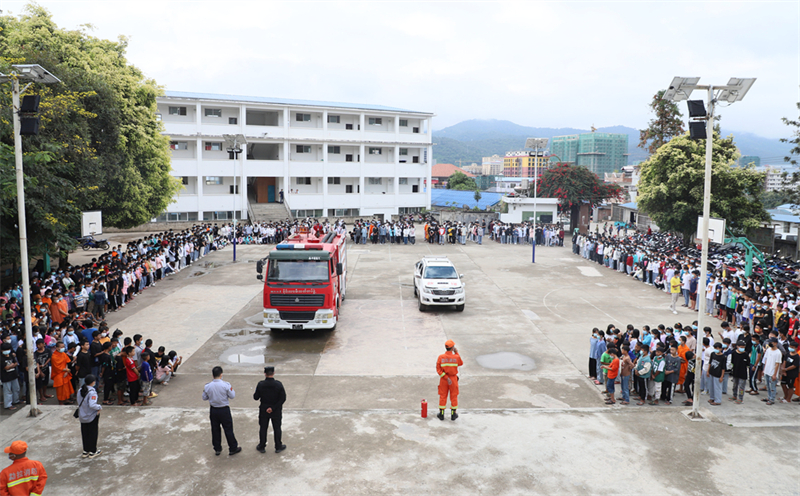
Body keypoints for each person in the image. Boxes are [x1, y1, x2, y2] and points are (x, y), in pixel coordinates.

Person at [202, 366, 241, 456]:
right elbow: (232, 396)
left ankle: (217, 448)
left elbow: (204, 397)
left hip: (214, 410)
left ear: (212, 375)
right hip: (224, 410)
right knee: (228, 429)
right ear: (221, 374)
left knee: (215, 429)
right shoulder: (226, 385)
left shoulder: (207, 386)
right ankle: (233, 448)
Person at [253, 366, 287, 454]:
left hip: (264, 409)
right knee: (277, 428)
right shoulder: (278, 384)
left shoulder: (260, 384)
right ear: (274, 373)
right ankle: (278, 446)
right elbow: (283, 398)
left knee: (263, 428)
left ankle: (262, 446)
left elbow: (256, 397)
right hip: (276, 410)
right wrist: (273, 408)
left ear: (265, 374)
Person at [436, 339, 463, 421]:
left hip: (444, 380)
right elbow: (461, 363)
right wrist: (456, 353)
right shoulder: (456, 357)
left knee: (443, 396)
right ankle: (453, 414)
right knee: (454, 396)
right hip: (453, 379)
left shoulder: (441, 357)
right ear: (452, 348)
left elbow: (438, 370)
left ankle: (441, 414)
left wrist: (446, 378)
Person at [76, 374, 102, 458]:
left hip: (82, 415)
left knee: (85, 433)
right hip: (91, 416)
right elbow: (92, 404)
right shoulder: (92, 392)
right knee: (93, 432)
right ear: (92, 382)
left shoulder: (80, 390)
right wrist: (99, 407)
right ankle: (93, 451)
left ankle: (85, 450)